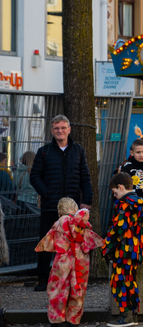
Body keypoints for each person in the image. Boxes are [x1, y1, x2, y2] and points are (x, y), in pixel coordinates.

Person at [29, 115, 94, 291]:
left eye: (63, 127)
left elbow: (85, 178)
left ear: (69, 129)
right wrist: (47, 193)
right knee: (45, 242)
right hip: (50, 206)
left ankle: (70, 278)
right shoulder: (44, 152)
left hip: (72, 210)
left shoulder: (78, 151)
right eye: (57, 128)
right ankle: (43, 279)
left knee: (72, 245)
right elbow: (34, 177)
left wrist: (86, 200)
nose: (60, 131)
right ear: (52, 131)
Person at [34, 198, 103, 327]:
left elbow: (51, 238)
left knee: (58, 287)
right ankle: (74, 319)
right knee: (78, 288)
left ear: (60, 211)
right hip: (81, 259)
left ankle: (57, 318)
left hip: (63, 259)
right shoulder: (84, 223)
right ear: (76, 209)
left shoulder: (59, 223)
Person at [104, 172, 143, 327]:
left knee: (119, 281)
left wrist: (106, 245)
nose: (115, 196)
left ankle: (125, 316)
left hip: (123, 250)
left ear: (120, 187)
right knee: (130, 280)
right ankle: (133, 313)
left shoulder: (125, 204)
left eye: (115, 192)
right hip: (136, 249)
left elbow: (119, 228)